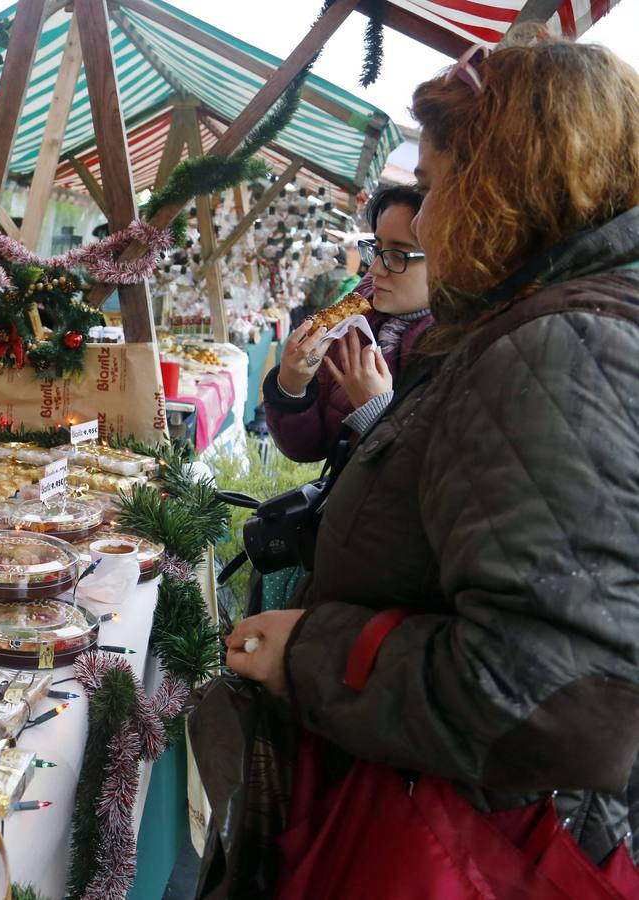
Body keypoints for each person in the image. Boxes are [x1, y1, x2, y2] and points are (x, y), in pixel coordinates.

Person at [225, 32, 639, 883]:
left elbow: (555, 700)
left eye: (437, 184)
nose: (431, 211)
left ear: (498, 186)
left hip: (454, 846)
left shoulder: (557, 348)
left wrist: (312, 652)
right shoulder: (540, 325)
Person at [262, 184, 433, 462]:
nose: (375, 269)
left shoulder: (459, 350)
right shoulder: (358, 321)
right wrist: (292, 388)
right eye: (377, 250)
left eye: (397, 255)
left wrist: (375, 414)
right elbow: (308, 449)